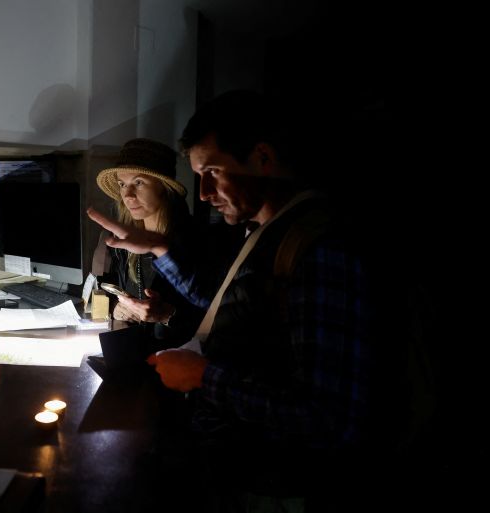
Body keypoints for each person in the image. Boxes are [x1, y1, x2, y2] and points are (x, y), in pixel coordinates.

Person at [87, 90, 386, 510]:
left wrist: (203, 376)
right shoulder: (263, 232)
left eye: (213, 172)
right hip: (234, 466)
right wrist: (157, 248)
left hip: (277, 485)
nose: (204, 193)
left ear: (262, 158)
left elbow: (330, 418)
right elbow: (224, 304)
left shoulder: (319, 249)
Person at [94, 138, 210, 347]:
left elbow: (213, 318)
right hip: (132, 352)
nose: (128, 195)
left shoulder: (196, 240)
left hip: (178, 357)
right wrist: (115, 309)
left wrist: (166, 315)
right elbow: (104, 289)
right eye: (122, 184)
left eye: (138, 182)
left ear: (163, 187)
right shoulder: (123, 242)